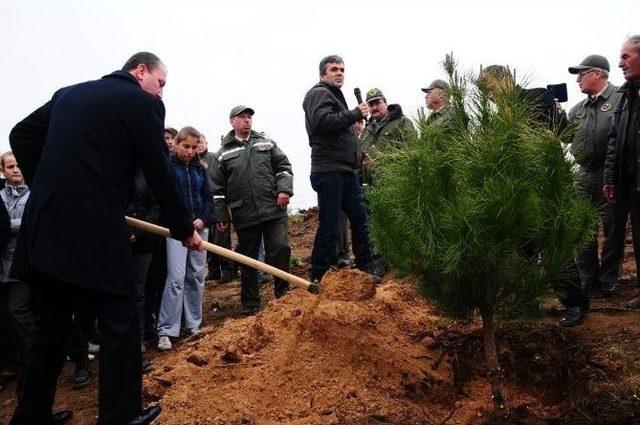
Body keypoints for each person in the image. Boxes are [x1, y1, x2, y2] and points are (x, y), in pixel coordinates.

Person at [8, 52, 201, 425]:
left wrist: (48, 185)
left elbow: (21, 134)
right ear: (140, 71)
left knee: (50, 324)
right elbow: (158, 169)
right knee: (120, 317)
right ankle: (119, 415)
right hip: (94, 224)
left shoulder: (69, 94)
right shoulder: (141, 103)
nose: (160, 94)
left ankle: (30, 417)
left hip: (45, 224)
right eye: (160, 83)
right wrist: (182, 228)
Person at [211, 106, 293, 315]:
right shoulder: (222, 153)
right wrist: (221, 216)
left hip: (273, 209)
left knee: (280, 249)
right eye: (242, 117)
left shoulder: (266, 142)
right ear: (232, 122)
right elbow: (217, 191)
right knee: (248, 257)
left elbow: (283, 166)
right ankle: (250, 303)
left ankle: (283, 295)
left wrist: (284, 189)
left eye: (249, 117)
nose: (247, 121)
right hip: (244, 214)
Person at [302, 55, 378, 282]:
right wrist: (354, 113)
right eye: (334, 69)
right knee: (331, 223)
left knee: (360, 218)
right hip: (328, 171)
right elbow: (322, 122)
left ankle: (366, 269)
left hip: (346, 171)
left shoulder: (335, 96)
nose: (339, 73)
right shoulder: (318, 93)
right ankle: (318, 274)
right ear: (322, 74)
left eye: (342, 70)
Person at [567, 55, 625, 301]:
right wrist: (555, 116)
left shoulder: (621, 99)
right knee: (583, 226)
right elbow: (565, 137)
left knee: (613, 227)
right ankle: (588, 275)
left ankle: (608, 279)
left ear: (598, 74)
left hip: (610, 173)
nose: (578, 79)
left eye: (582, 73)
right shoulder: (577, 109)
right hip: (584, 174)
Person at [157, 126, 212, 350]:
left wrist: (202, 219)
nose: (190, 151)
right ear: (177, 144)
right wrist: (181, 223)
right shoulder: (167, 167)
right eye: (185, 146)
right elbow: (165, 199)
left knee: (197, 276)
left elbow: (208, 198)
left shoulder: (200, 169)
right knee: (176, 278)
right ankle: (166, 329)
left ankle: (193, 325)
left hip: (200, 229)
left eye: (194, 147)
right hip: (176, 231)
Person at [604, 34, 640, 309]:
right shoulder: (627, 96)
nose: (620, 64)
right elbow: (616, 140)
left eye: (625, 57)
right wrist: (611, 179)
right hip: (631, 182)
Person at [360, 88, 416, 187]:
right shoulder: (366, 130)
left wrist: (381, 159)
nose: (374, 107)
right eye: (370, 105)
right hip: (368, 189)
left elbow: (411, 153)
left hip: (394, 186)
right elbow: (359, 159)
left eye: (378, 103)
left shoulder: (402, 123)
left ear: (386, 103)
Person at [201, 134, 236, 284]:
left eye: (201, 142)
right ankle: (214, 270)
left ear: (206, 142)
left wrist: (226, 208)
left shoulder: (216, 157)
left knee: (221, 240)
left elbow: (225, 182)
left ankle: (228, 270)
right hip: (203, 208)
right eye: (197, 144)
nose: (199, 146)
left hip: (218, 206)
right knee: (207, 241)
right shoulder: (193, 162)